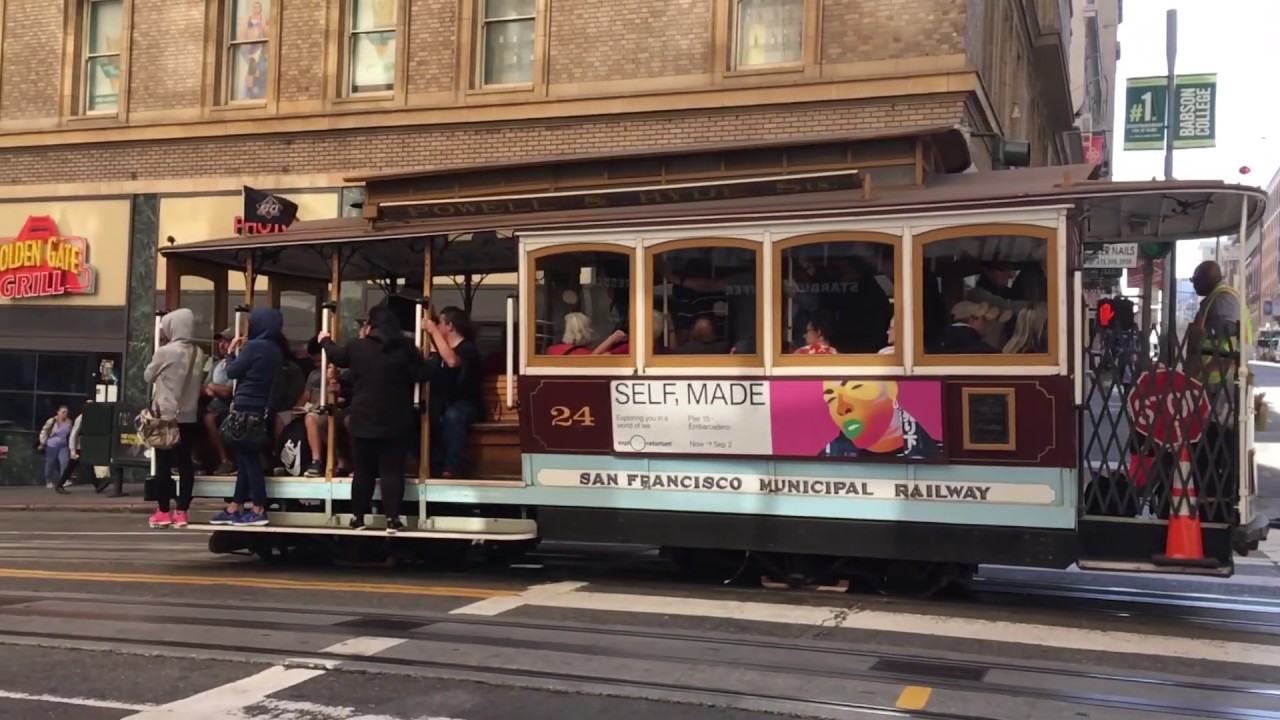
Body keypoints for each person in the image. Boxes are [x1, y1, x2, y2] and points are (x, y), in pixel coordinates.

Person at [319, 305, 430, 532]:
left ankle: (358, 517)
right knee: (392, 471)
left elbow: (337, 356)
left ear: (370, 326)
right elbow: (421, 374)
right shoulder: (405, 349)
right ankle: (392, 519)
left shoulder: (357, 348)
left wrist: (325, 340)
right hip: (396, 421)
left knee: (363, 471)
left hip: (363, 420)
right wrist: (435, 359)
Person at [210, 308, 285, 527]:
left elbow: (232, 372)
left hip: (245, 405)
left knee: (249, 460)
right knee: (245, 458)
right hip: (260, 407)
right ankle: (236, 505)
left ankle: (259, 508)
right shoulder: (275, 350)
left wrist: (232, 353)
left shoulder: (254, 347)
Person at [143, 308, 205, 529]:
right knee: (185, 464)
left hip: (166, 417)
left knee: (163, 465)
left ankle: (163, 511)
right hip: (189, 417)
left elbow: (148, 375)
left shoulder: (165, 352)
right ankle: (182, 511)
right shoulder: (199, 353)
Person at [422, 306, 484, 479]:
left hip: (467, 404)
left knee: (453, 416)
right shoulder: (441, 351)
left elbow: (452, 361)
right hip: (445, 403)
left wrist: (433, 331)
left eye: (440, 323)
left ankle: (452, 467)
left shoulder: (467, 349)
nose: (438, 327)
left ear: (449, 326)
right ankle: (433, 463)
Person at [202, 329, 235, 475]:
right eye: (220, 341)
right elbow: (204, 386)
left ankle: (225, 460)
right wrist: (211, 388)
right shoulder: (216, 365)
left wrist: (212, 387)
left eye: (226, 341)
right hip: (211, 405)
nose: (221, 345)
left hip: (228, 408)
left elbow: (228, 391)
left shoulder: (236, 365)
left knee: (209, 419)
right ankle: (199, 462)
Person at [38, 406, 74, 492]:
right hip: (52, 445)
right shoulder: (52, 421)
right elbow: (45, 431)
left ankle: (63, 480)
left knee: (64, 462)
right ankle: (48, 480)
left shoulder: (69, 422)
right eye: (63, 412)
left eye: (66, 412)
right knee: (50, 463)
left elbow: (71, 433)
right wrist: (42, 443)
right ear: (58, 412)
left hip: (63, 445)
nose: (65, 414)